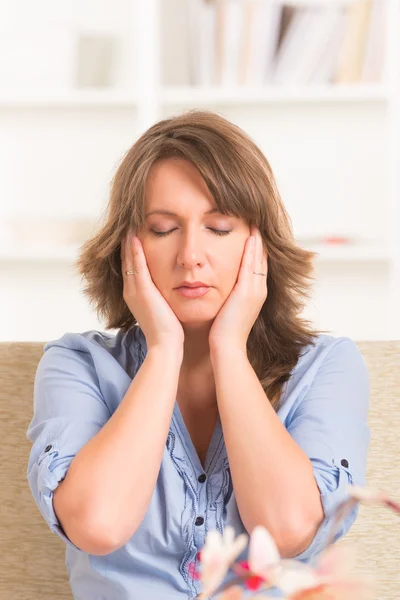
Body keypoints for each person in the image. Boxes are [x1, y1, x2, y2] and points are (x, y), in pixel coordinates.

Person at [26, 109, 370, 600]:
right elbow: (97, 525)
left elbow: (289, 530)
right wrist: (164, 348)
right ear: (128, 248)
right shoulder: (75, 364)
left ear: (260, 245)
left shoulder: (327, 367)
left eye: (220, 227)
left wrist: (228, 347)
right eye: (164, 229)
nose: (190, 255)